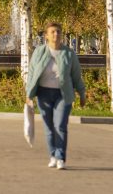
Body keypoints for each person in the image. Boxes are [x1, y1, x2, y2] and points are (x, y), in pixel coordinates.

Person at [25, 22, 86, 170]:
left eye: (58, 31)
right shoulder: (39, 52)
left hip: (63, 94)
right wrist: (29, 94)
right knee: (48, 127)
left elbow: (76, 75)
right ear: (46, 35)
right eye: (52, 32)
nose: (56, 34)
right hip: (43, 94)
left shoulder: (69, 53)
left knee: (60, 125)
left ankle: (60, 157)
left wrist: (82, 93)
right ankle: (52, 155)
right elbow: (32, 73)